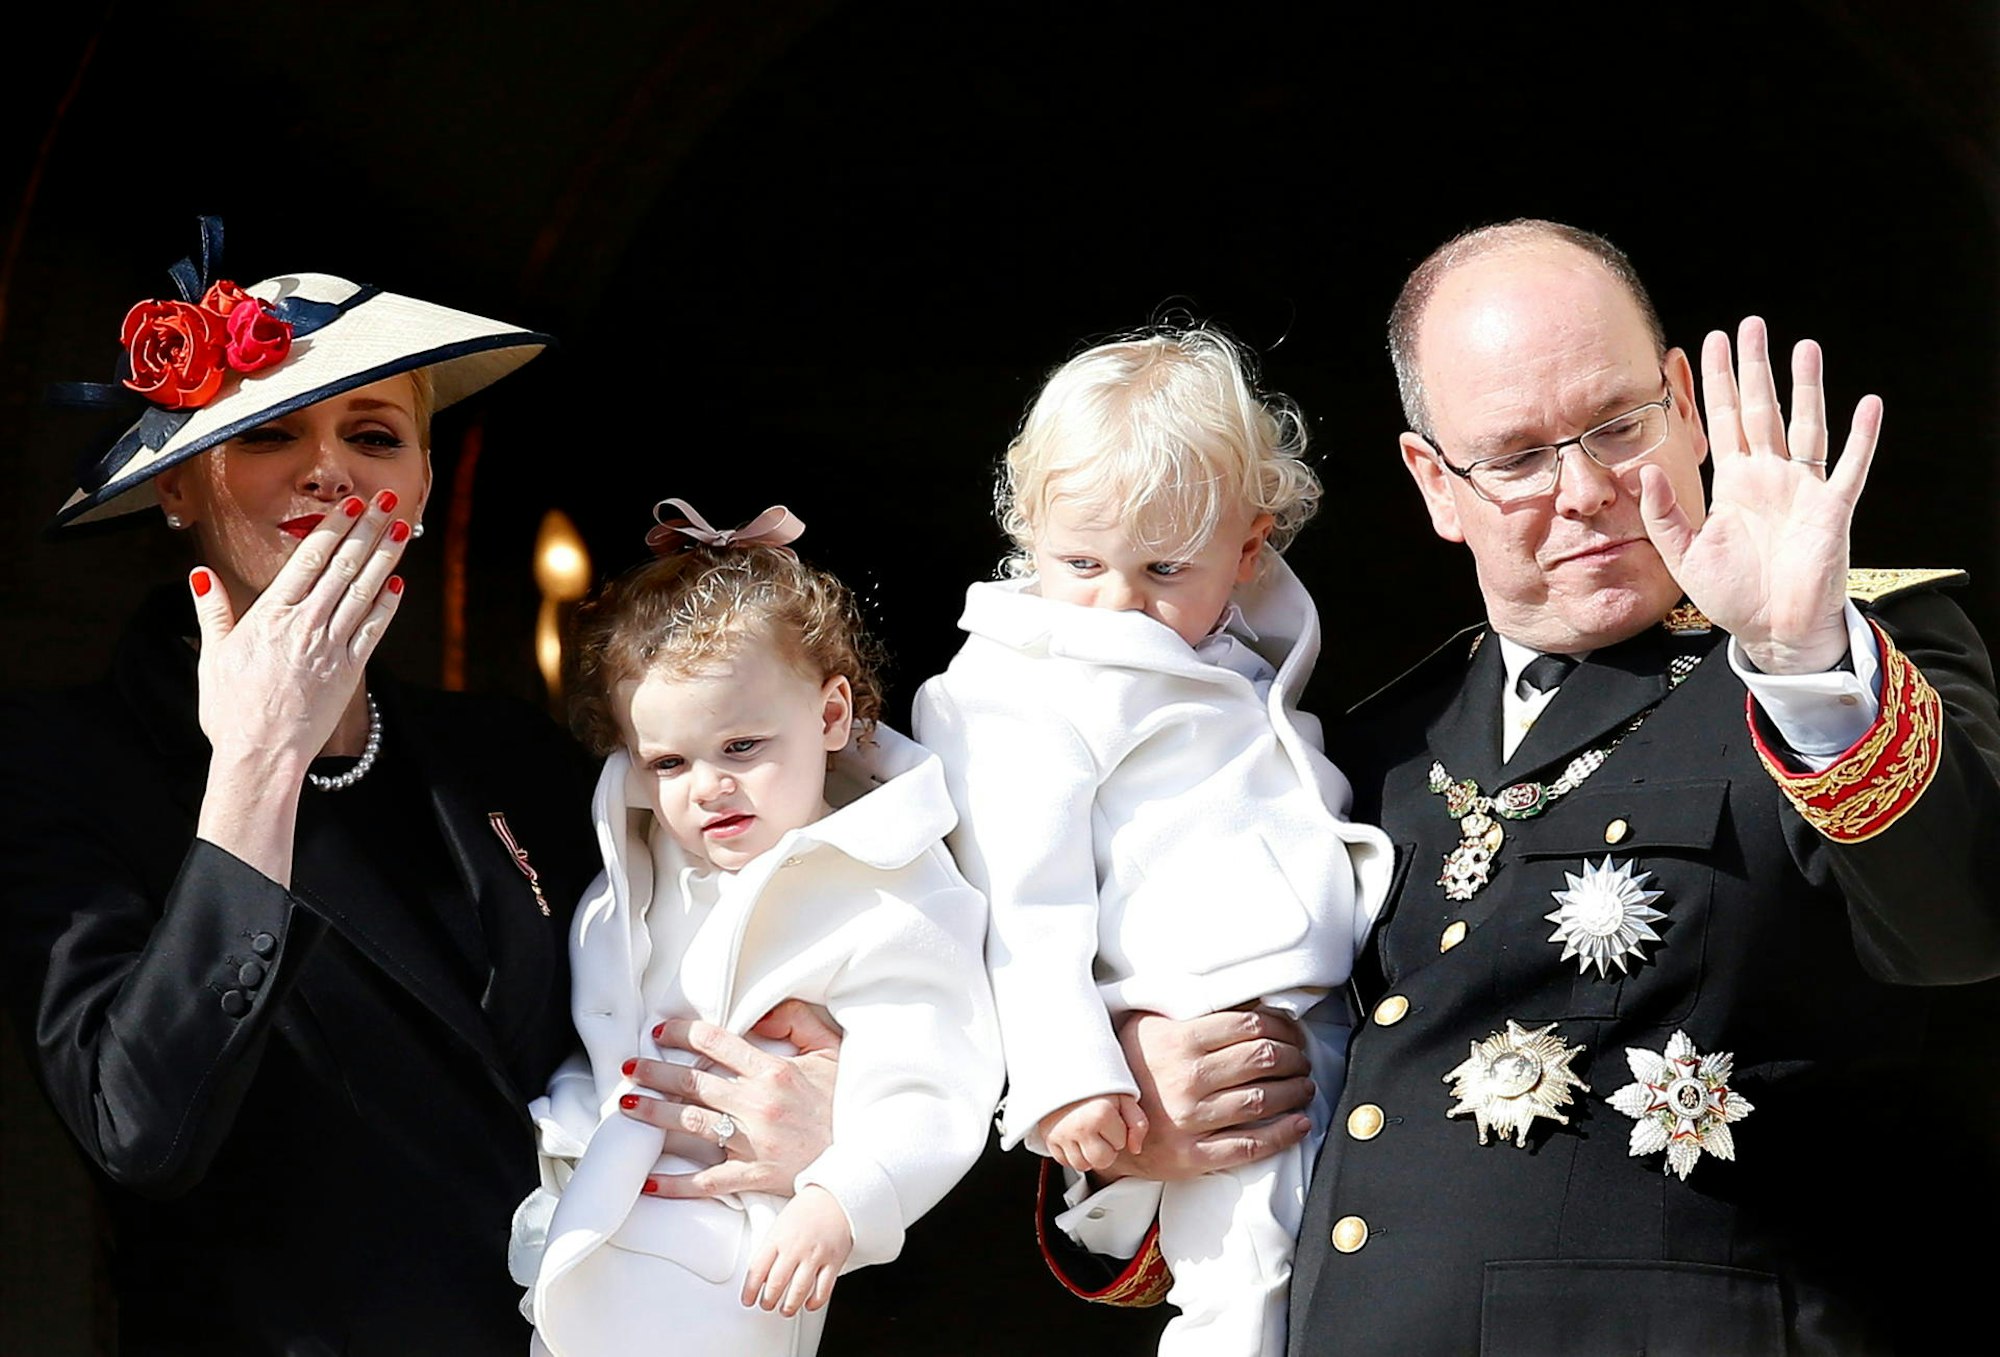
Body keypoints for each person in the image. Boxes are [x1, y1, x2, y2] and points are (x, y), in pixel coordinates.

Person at [1041, 221, 2000, 1355]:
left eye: (1616, 426)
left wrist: (1801, 658)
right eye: (1515, 457)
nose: (1584, 489)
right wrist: (1133, 1112)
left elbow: (1961, 922)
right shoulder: (1352, 753)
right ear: (1433, 482)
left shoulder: (1838, 660)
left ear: (1682, 404)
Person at [0, 222, 841, 1355]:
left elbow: (756, 952)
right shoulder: (67, 758)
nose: (328, 468)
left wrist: (826, 1105)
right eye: (269, 434)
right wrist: (258, 764)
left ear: (423, 481)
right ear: (182, 487)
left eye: (373, 433)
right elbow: (140, 1125)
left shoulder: (508, 755)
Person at [914, 329, 1393, 1355]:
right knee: (1239, 1279)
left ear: (1249, 546)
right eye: (1078, 561)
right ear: (1026, 528)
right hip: (1186, 1022)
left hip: (1302, 1005)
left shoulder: (1237, 642)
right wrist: (1066, 1077)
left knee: (1333, 1259)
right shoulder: (1017, 688)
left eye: (1162, 567)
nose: (1118, 601)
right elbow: (1020, 903)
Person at [515, 500, 1002, 1357]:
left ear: (830, 715)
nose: (707, 785)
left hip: (743, 1257)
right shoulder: (638, 863)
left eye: (742, 746)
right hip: (594, 1217)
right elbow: (607, 1026)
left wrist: (844, 1197)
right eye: (670, 761)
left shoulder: (890, 887)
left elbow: (935, 1072)